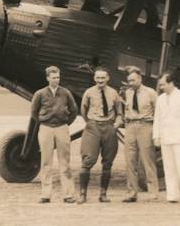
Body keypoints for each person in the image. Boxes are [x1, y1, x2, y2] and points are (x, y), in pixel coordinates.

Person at [30, 66, 79, 204]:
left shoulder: (66, 93)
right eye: (53, 77)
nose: (56, 80)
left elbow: (74, 110)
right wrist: (43, 121)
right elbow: (34, 112)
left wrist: (65, 123)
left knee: (65, 162)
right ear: (47, 78)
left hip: (62, 128)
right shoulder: (40, 94)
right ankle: (45, 194)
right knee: (46, 162)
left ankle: (68, 194)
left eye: (58, 77)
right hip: (46, 128)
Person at [78, 66, 123, 204]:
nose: (100, 80)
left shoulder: (114, 93)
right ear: (94, 78)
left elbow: (119, 113)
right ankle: (82, 194)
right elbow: (83, 110)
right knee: (88, 160)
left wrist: (115, 125)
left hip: (109, 127)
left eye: (103, 78)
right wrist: (91, 123)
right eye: (97, 78)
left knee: (108, 162)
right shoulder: (89, 93)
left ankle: (103, 194)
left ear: (108, 78)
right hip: (93, 127)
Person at [153, 71, 180, 203]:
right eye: (160, 85)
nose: (161, 88)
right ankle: (172, 195)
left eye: (163, 85)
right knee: (169, 168)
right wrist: (156, 136)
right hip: (166, 138)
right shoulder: (160, 99)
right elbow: (157, 119)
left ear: (171, 83)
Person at [122, 67, 160, 202]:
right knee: (130, 160)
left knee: (147, 160)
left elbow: (158, 112)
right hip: (130, 126)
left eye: (133, 80)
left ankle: (153, 192)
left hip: (145, 126)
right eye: (129, 81)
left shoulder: (150, 93)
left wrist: (155, 128)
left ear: (140, 78)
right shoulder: (128, 92)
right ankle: (131, 192)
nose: (131, 83)